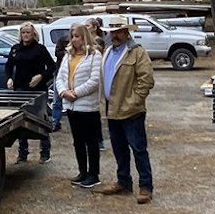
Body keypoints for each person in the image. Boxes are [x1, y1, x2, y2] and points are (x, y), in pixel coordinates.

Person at [97, 17, 154, 202]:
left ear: (126, 32)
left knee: (138, 149)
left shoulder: (137, 53)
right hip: (112, 110)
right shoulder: (107, 52)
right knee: (119, 148)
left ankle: (145, 186)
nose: (115, 35)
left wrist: (134, 101)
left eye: (119, 31)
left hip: (131, 111)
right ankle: (124, 182)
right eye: (112, 31)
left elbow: (146, 80)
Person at [57, 22, 103, 188]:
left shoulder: (94, 55)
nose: (74, 40)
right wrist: (63, 92)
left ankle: (93, 174)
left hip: (87, 105)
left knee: (91, 140)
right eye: (72, 36)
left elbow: (95, 80)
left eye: (77, 36)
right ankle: (82, 171)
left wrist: (75, 93)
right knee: (78, 140)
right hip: (70, 105)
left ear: (84, 37)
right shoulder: (68, 55)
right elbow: (60, 77)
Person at [4, 21, 56, 163]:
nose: (26, 35)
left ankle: (45, 153)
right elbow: (8, 66)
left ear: (33, 34)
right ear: (20, 35)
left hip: (38, 89)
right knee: (21, 120)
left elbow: (52, 66)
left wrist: (41, 76)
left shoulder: (40, 49)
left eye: (28, 32)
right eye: (23, 33)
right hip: (20, 89)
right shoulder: (15, 49)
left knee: (41, 120)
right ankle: (22, 154)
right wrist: (9, 78)